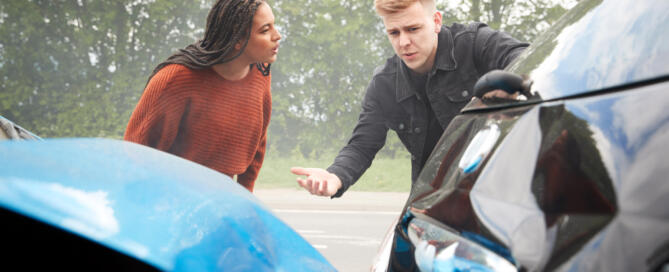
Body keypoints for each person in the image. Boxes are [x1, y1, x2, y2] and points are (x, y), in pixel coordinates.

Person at [290, 0, 528, 197]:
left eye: (412, 29)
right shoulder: (384, 83)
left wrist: (510, 84)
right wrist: (335, 176)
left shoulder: (475, 42)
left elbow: (529, 59)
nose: (403, 42)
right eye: (394, 32)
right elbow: (362, 145)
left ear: (436, 21)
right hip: (435, 199)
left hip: (505, 184)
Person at [124, 0, 281, 192]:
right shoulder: (174, 79)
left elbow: (258, 141)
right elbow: (136, 153)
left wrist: (245, 196)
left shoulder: (260, 74)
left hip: (222, 197)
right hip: (169, 195)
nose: (277, 36)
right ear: (237, 39)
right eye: (265, 30)